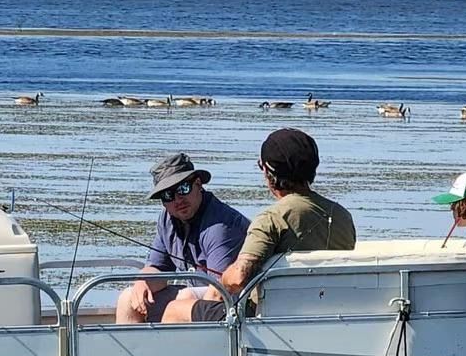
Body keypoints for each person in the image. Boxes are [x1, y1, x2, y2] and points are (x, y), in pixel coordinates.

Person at [175, 128, 357, 322]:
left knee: (175, 310)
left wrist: (223, 280)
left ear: (269, 172)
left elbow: (239, 277)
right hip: (330, 314)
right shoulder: (342, 216)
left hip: (267, 320)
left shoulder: (272, 219)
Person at [115, 152, 249, 323]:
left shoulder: (221, 226)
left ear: (198, 184)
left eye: (183, 189)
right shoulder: (168, 219)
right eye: (168, 195)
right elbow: (157, 268)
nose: (178, 200)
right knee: (129, 297)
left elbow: (219, 291)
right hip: (202, 295)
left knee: (185, 298)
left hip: (235, 304)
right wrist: (143, 281)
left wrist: (181, 308)